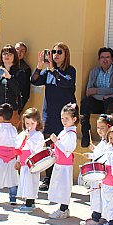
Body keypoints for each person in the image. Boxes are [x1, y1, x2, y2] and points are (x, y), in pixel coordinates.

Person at [31, 42, 76, 189]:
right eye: (54, 52)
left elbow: (66, 83)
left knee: (62, 146)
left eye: (59, 52)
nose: (55, 54)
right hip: (49, 113)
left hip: (64, 116)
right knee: (50, 146)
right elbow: (35, 81)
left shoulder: (70, 70)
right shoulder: (49, 71)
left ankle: (60, 179)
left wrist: (51, 68)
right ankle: (48, 178)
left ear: (66, 55)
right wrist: (39, 66)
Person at [80, 47, 113, 148]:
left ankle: (111, 137)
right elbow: (88, 91)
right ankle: (85, 134)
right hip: (97, 102)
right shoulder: (94, 72)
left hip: (108, 103)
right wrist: (105, 93)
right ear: (99, 59)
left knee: (110, 102)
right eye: (102, 57)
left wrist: (97, 90)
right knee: (86, 102)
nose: (105, 60)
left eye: (108, 57)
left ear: (112, 59)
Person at [79, 114, 113, 225]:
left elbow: (104, 158)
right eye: (98, 128)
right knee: (96, 196)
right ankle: (96, 216)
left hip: (102, 175)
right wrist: (91, 154)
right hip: (97, 175)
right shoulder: (103, 142)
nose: (99, 130)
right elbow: (97, 155)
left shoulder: (109, 144)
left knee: (100, 197)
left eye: (102, 128)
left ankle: (98, 217)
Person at [47, 103, 78, 219]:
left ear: (74, 119)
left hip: (65, 166)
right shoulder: (64, 131)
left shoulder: (72, 134)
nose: (64, 121)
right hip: (59, 163)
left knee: (64, 187)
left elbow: (67, 150)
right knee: (58, 185)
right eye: (62, 118)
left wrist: (56, 142)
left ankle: (63, 209)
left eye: (67, 118)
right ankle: (62, 207)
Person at [16, 108, 46, 213]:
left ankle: (29, 203)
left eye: (32, 123)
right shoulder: (22, 133)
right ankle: (29, 202)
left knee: (31, 183)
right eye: (27, 123)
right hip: (24, 163)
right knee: (24, 182)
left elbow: (36, 149)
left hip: (33, 163)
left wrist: (29, 140)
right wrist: (18, 160)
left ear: (37, 123)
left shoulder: (38, 135)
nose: (29, 126)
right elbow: (19, 147)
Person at [14, 42, 32, 113]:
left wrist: (19, 108)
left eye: (22, 51)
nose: (19, 52)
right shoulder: (4, 64)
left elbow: (26, 92)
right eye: (17, 49)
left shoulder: (26, 69)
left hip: (15, 105)